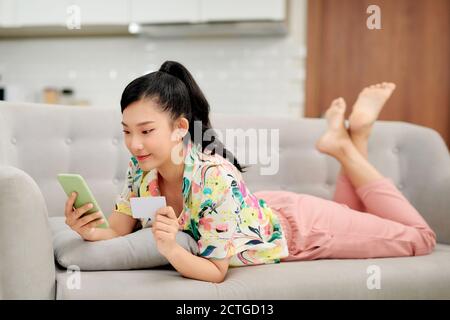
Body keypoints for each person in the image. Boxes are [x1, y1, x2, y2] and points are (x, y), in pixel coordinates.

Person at [64, 61, 436, 283]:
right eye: (127, 131)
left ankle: (344, 147)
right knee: (358, 217)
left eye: (146, 131)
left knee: (420, 239)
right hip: (260, 211)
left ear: (179, 127)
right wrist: (88, 229)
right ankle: (355, 139)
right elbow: (119, 227)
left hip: (306, 229)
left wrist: (168, 249)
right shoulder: (142, 170)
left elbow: (215, 271)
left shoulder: (213, 176)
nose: (135, 144)